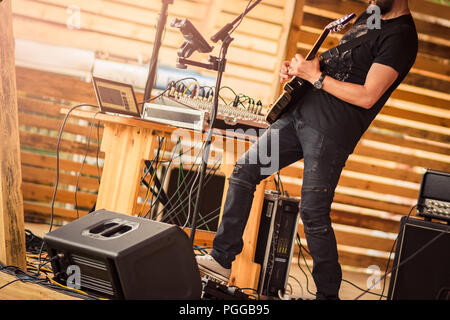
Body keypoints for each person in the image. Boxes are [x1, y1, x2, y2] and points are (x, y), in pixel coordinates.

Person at [196, 0, 418, 300]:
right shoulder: (374, 14)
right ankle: (222, 259)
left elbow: (368, 95)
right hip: (298, 116)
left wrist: (315, 76)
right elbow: (348, 62)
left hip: (330, 131)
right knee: (245, 171)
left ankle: (328, 296)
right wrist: (300, 70)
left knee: (313, 212)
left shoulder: (401, 37)